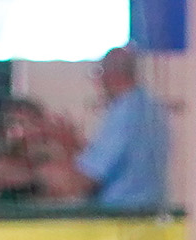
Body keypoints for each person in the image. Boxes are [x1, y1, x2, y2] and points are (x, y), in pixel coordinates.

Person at [69, 45, 167, 208]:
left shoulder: (124, 112)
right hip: (152, 209)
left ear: (109, 74)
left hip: (120, 215)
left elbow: (91, 175)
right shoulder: (151, 107)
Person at [0, 97, 84, 206]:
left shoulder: (55, 167)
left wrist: (71, 145)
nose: (26, 132)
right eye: (15, 124)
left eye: (32, 123)